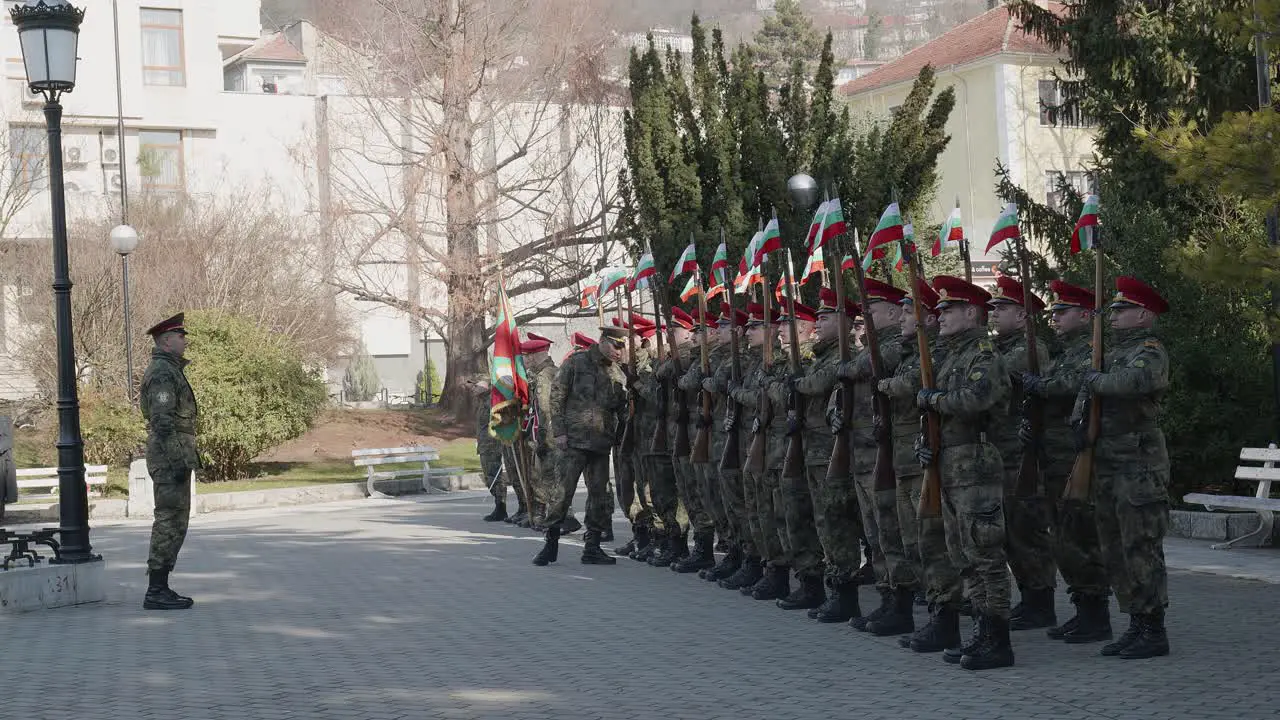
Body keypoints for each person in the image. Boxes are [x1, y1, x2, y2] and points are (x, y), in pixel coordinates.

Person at [916, 276, 1014, 670]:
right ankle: (981, 631)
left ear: (972, 313)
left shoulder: (984, 355)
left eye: (948, 310)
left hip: (975, 463)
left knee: (985, 552)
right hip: (950, 464)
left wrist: (934, 399)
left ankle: (998, 638)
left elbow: (976, 399)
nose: (940, 317)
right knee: (962, 554)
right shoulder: (951, 356)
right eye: (939, 311)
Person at [1075, 276, 1171, 660]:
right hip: (1108, 464)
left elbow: (1136, 381)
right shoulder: (1111, 353)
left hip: (1138, 466)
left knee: (1140, 546)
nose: (1113, 316)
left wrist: (1097, 380)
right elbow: (1086, 392)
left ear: (1143, 314)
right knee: (1113, 548)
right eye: (1112, 310)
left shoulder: (1150, 351)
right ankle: (1134, 621)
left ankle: (1153, 627)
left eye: (1122, 310)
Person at [1022, 280, 1112, 644]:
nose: (1055, 319)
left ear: (1086, 315)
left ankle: (1096, 614)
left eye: (1063, 312)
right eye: (1055, 312)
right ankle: (1082, 608)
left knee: (1079, 535)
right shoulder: (1065, 352)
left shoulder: (1091, 351)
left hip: (1074, 457)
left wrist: (1038, 387)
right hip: (1054, 456)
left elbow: (1072, 386)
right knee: (1061, 537)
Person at [882, 276, 964, 653]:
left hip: (930, 461)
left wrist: (885, 385)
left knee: (934, 543)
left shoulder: (937, 354)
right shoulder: (914, 351)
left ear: (928, 320)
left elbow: (908, 385)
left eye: (908, 311)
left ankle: (946, 618)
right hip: (909, 458)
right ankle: (932, 613)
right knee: (915, 541)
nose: (901, 317)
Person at [839, 278, 913, 635]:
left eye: (872, 308)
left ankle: (900, 604)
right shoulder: (869, 347)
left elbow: (861, 368)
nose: (864, 314)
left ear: (894, 312)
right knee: (875, 534)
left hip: (884, 455)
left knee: (889, 533)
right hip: (863, 455)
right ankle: (887, 600)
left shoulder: (896, 345)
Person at [987, 276, 1056, 630]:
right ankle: (1030, 598)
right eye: (993, 308)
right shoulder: (1000, 348)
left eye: (1002, 308)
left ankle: (1041, 601)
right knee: (1011, 532)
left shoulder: (1030, 349)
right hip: (1002, 451)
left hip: (1020, 452)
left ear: (1023, 316)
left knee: (1027, 531)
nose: (994, 313)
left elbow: (994, 375)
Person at [794, 288, 865, 623]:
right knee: (824, 520)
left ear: (846, 322)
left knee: (836, 522)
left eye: (825, 317)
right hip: (816, 450)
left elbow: (815, 384)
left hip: (832, 452)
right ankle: (835, 589)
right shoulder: (822, 354)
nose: (818, 322)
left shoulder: (844, 354)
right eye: (818, 316)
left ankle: (845, 593)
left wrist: (800, 381)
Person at [532, 325, 628, 566]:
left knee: (600, 496)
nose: (619, 351)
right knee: (562, 494)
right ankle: (550, 543)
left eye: (622, 347)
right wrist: (560, 432)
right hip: (573, 441)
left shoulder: (616, 373)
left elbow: (620, 408)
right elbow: (556, 397)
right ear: (603, 341)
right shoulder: (577, 362)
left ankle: (592, 546)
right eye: (616, 346)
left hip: (600, 442)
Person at [140, 312, 199, 611]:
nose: (184, 340)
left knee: (176, 521)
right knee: (168, 521)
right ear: (166, 341)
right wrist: (177, 459)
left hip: (173, 455)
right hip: (169, 457)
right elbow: (163, 421)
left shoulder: (170, 369)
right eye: (180, 336)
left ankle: (161, 586)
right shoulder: (163, 372)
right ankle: (156, 590)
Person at [770, 301, 826, 610]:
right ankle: (806, 580)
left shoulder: (807, 359)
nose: (778, 328)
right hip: (790, 449)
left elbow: (787, 393)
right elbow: (776, 393)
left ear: (804, 329)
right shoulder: (786, 360)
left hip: (812, 450)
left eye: (785, 324)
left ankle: (815, 583)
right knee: (789, 517)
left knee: (808, 518)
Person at [469, 376, 508, 521]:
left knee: (494, 476)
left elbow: (501, 420)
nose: (473, 388)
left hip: (492, 445)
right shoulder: (482, 402)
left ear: (485, 385)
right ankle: (498, 505)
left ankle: (501, 507)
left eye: (476, 385)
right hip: (485, 445)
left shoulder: (491, 400)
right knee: (489, 476)